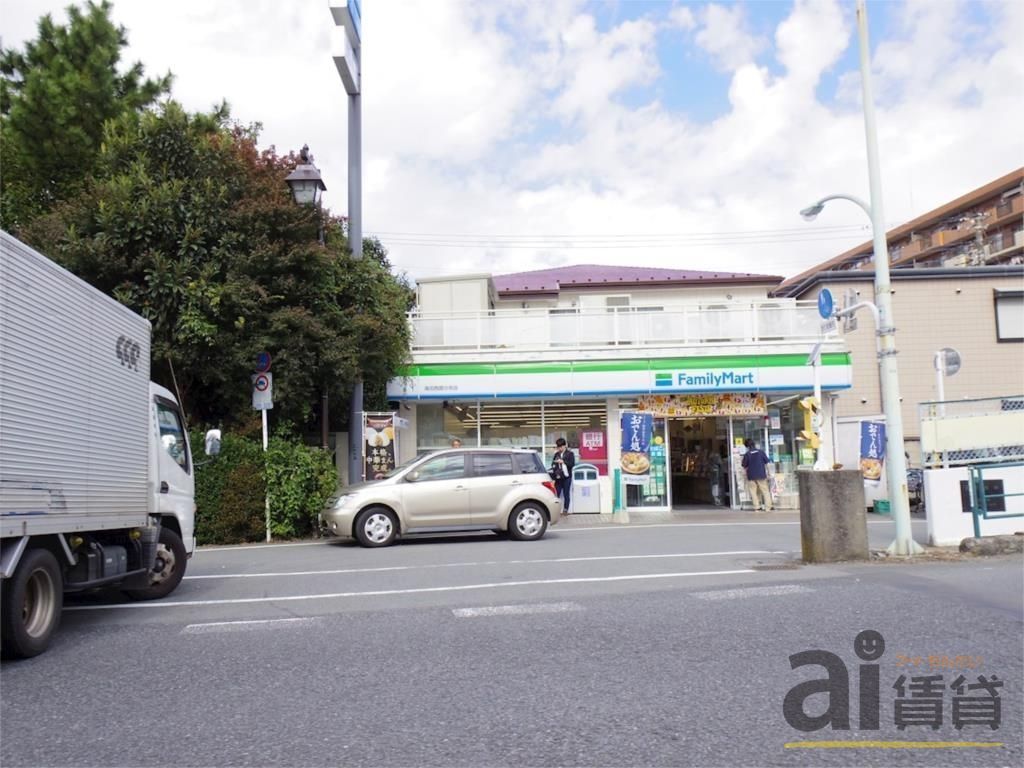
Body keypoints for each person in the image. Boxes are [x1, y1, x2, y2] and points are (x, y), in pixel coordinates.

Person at [741, 439, 773, 512]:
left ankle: (757, 507)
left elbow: (744, 466)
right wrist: (769, 473)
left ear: (747, 446)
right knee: (765, 491)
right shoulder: (761, 452)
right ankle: (768, 507)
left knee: (753, 492)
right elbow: (767, 463)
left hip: (751, 475)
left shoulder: (747, 454)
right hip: (761, 474)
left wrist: (744, 475)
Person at [550, 437, 576, 514]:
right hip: (558, 477)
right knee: (556, 494)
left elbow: (572, 464)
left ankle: (565, 509)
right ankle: (556, 510)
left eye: (561, 447)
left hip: (567, 477)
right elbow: (553, 464)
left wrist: (563, 461)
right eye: (558, 447)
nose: (560, 448)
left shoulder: (570, 454)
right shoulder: (556, 454)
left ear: (565, 446)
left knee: (566, 493)